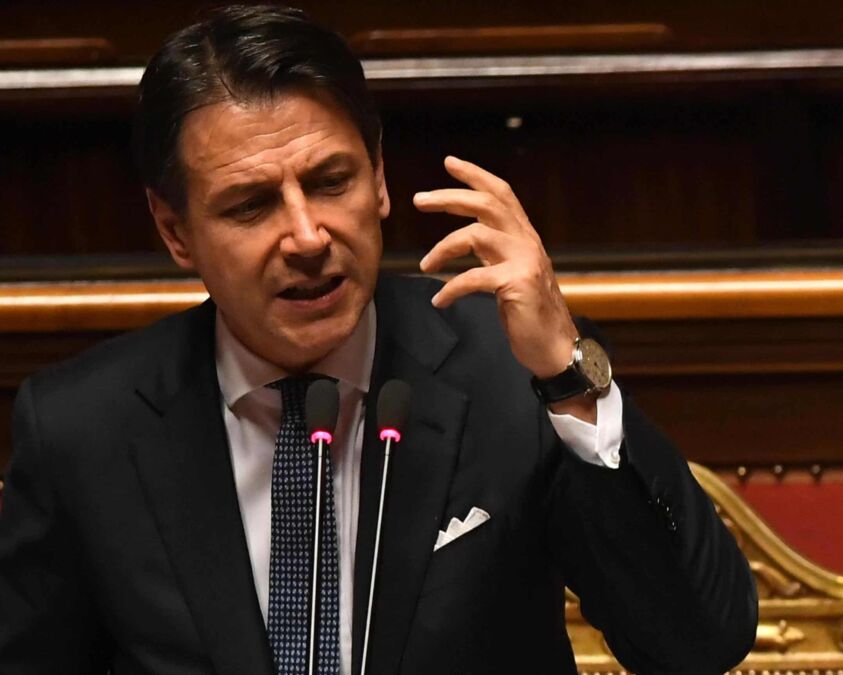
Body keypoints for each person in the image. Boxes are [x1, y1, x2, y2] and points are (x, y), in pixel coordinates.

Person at [0, 5, 756, 675]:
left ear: (382, 179)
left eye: (332, 182)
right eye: (251, 205)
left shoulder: (508, 371)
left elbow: (698, 643)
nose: (306, 236)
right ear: (175, 231)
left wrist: (566, 371)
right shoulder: (82, 429)